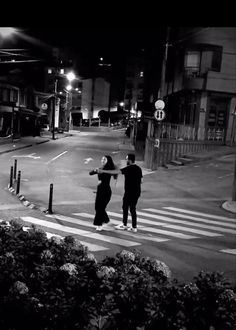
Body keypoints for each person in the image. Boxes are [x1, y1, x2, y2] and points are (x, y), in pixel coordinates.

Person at [98, 153, 142, 232]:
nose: (126, 161)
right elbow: (141, 181)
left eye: (127, 159)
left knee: (125, 207)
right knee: (132, 208)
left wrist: (103, 171)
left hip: (129, 192)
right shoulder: (139, 169)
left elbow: (115, 172)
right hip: (137, 192)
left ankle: (124, 224)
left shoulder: (129, 168)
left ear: (130, 160)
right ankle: (134, 227)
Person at [89, 155, 117, 231]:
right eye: (102, 159)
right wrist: (95, 170)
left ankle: (99, 224)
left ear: (108, 161)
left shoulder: (109, 170)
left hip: (105, 191)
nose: (102, 160)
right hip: (100, 190)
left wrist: (98, 171)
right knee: (99, 207)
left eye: (104, 159)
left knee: (100, 208)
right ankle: (107, 221)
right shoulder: (101, 168)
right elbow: (90, 173)